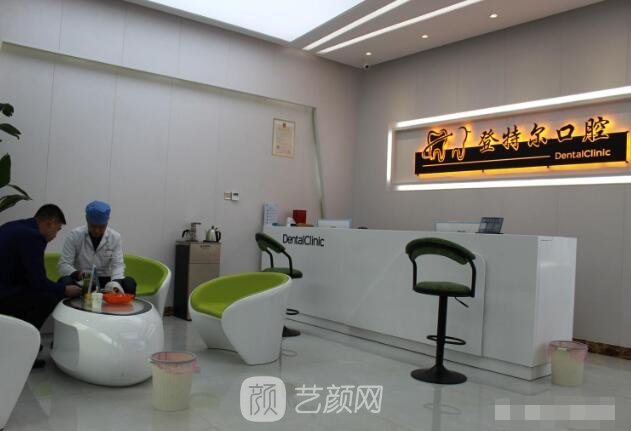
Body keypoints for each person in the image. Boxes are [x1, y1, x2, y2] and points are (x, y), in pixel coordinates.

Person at [0, 204, 82, 367]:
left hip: (7, 286)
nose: (55, 236)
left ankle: (18, 343)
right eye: (57, 230)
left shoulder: (14, 226)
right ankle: (23, 349)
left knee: (40, 294)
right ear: (49, 222)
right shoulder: (33, 237)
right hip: (4, 293)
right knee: (49, 297)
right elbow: (38, 281)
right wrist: (64, 289)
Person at [58, 200, 136, 294]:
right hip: (83, 280)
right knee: (64, 282)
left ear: (107, 222)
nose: (97, 231)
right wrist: (78, 274)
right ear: (87, 219)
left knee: (129, 283)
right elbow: (64, 264)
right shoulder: (74, 236)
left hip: (106, 281)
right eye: (93, 226)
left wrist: (115, 283)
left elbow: (118, 265)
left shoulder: (115, 237)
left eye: (101, 227)